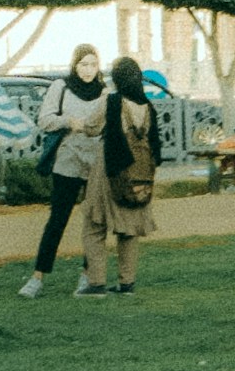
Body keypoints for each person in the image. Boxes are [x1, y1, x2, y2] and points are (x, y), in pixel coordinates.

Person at [18, 46, 107, 298]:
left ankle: (87, 276)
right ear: (75, 65)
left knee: (94, 223)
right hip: (67, 161)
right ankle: (37, 278)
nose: (89, 70)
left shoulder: (104, 92)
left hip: (94, 164)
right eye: (83, 64)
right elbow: (44, 120)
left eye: (93, 64)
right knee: (57, 220)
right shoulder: (61, 87)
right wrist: (68, 121)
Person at [79, 57, 161, 295]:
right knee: (129, 228)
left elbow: (91, 127)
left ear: (116, 79)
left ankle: (96, 283)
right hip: (140, 174)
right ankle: (127, 283)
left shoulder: (112, 101)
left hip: (110, 169)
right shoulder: (148, 106)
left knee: (94, 224)